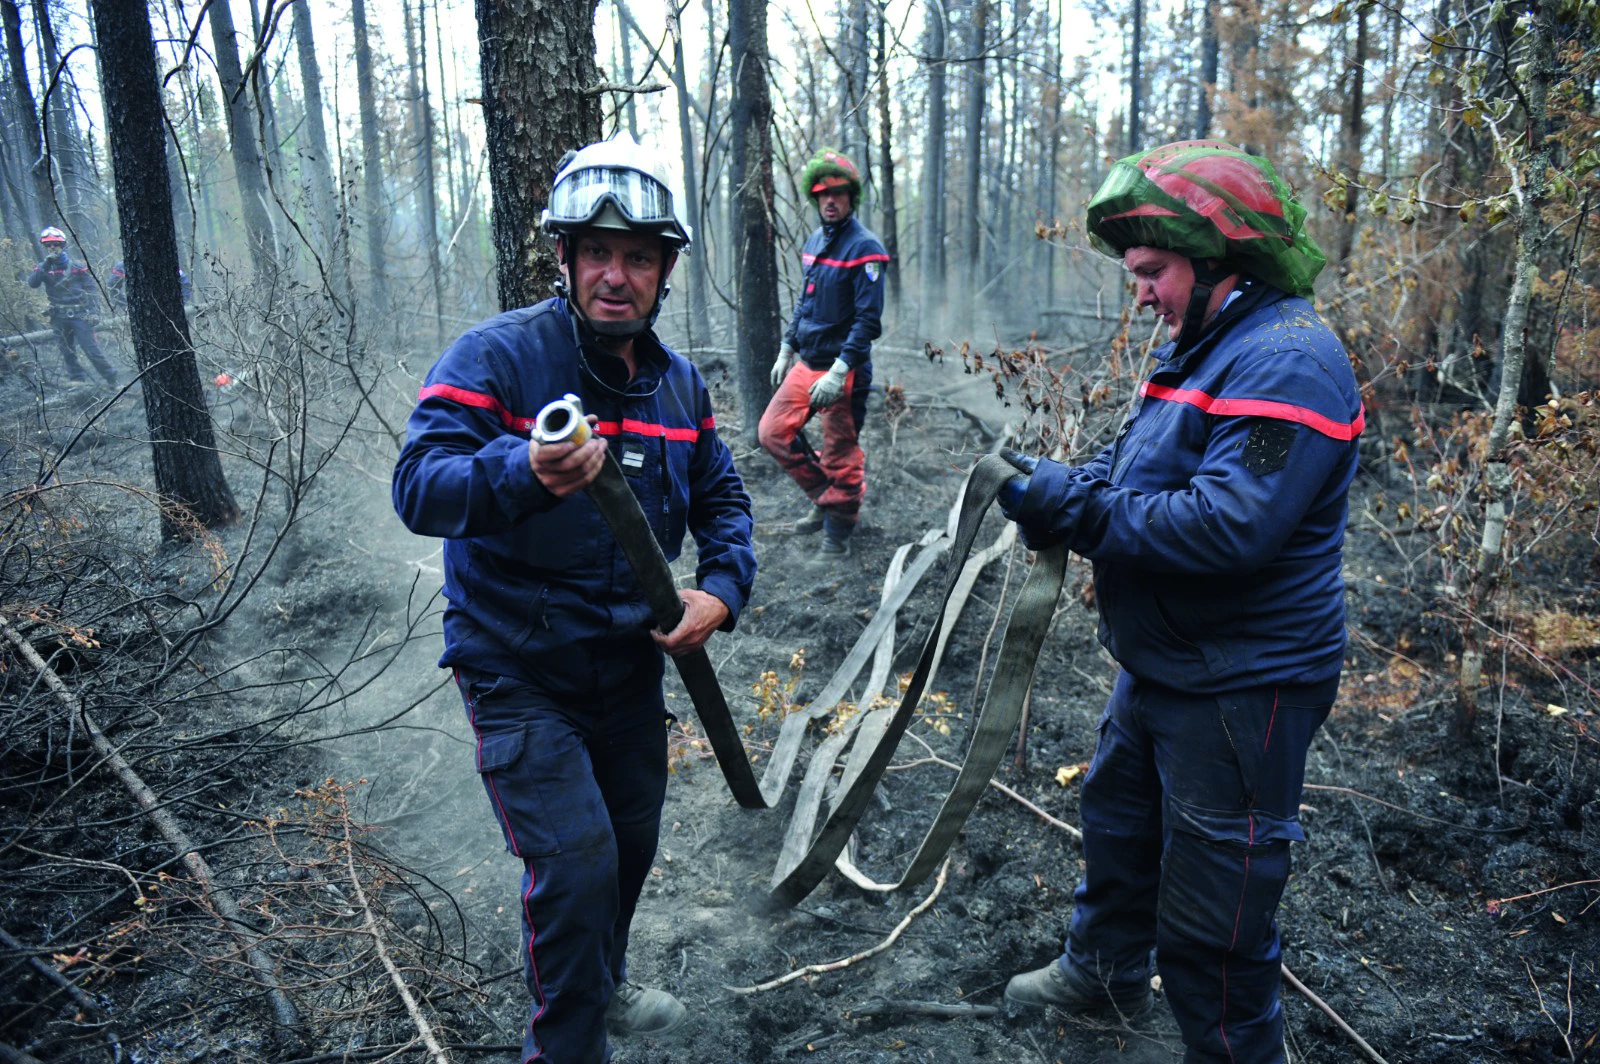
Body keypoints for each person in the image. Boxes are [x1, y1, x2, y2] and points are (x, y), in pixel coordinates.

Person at [392, 135, 756, 1063]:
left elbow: (721, 497)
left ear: (665, 269)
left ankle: (604, 981)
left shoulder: (679, 387)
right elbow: (420, 486)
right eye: (598, 252)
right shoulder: (499, 358)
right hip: (513, 662)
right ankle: (566, 1046)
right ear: (565, 258)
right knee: (577, 860)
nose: (615, 276)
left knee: (628, 846)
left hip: (628, 659)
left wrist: (721, 587)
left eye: (639, 257)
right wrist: (525, 470)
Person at [997, 141, 1363, 1063]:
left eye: (1153, 271)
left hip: (1244, 680)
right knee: (1118, 827)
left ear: (1219, 258)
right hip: (1169, 661)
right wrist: (1064, 480)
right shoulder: (1205, 347)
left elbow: (1228, 527)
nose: (1143, 293)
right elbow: (1139, 472)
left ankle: (1238, 1051)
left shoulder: (1290, 359)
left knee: (1218, 915)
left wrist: (1074, 510)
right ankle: (1105, 971)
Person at [758, 148, 888, 557]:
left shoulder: (866, 249)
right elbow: (806, 301)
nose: (829, 200)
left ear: (851, 197)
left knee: (841, 454)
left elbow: (867, 322)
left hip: (842, 368)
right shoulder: (815, 241)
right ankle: (828, 500)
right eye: (821, 193)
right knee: (772, 433)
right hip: (807, 362)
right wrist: (786, 346)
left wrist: (839, 371)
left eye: (838, 192)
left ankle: (838, 533)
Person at [27, 227, 117, 385]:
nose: (52, 248)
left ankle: (112, 379)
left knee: (91, 349)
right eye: (48, 245)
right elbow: (33, 283)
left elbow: (92, 289)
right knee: (67, 351)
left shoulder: (77, 266)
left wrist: (95, 312)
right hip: (58, 316)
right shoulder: (43, 267)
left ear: (62, 245)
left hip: (80, 314)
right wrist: (46, 265)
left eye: (55, 244)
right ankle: (77, 380)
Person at [108, 259, 192, 311]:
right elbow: (112, 286)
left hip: (168, 308)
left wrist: (179, 304)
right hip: (139, 313)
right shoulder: (123, 266)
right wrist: (125, 305)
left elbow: (185, 284)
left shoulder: (166, 261)